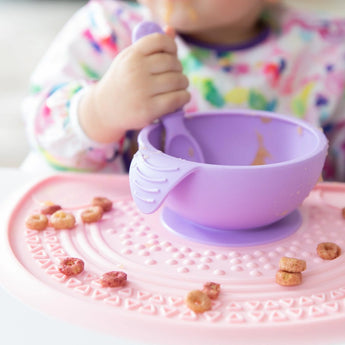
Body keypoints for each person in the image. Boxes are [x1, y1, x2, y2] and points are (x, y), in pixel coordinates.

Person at [23, 0, 345, 180]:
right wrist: (99, 110)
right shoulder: (107, 29)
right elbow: (44, 131)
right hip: (133, 242)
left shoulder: (327, 50)